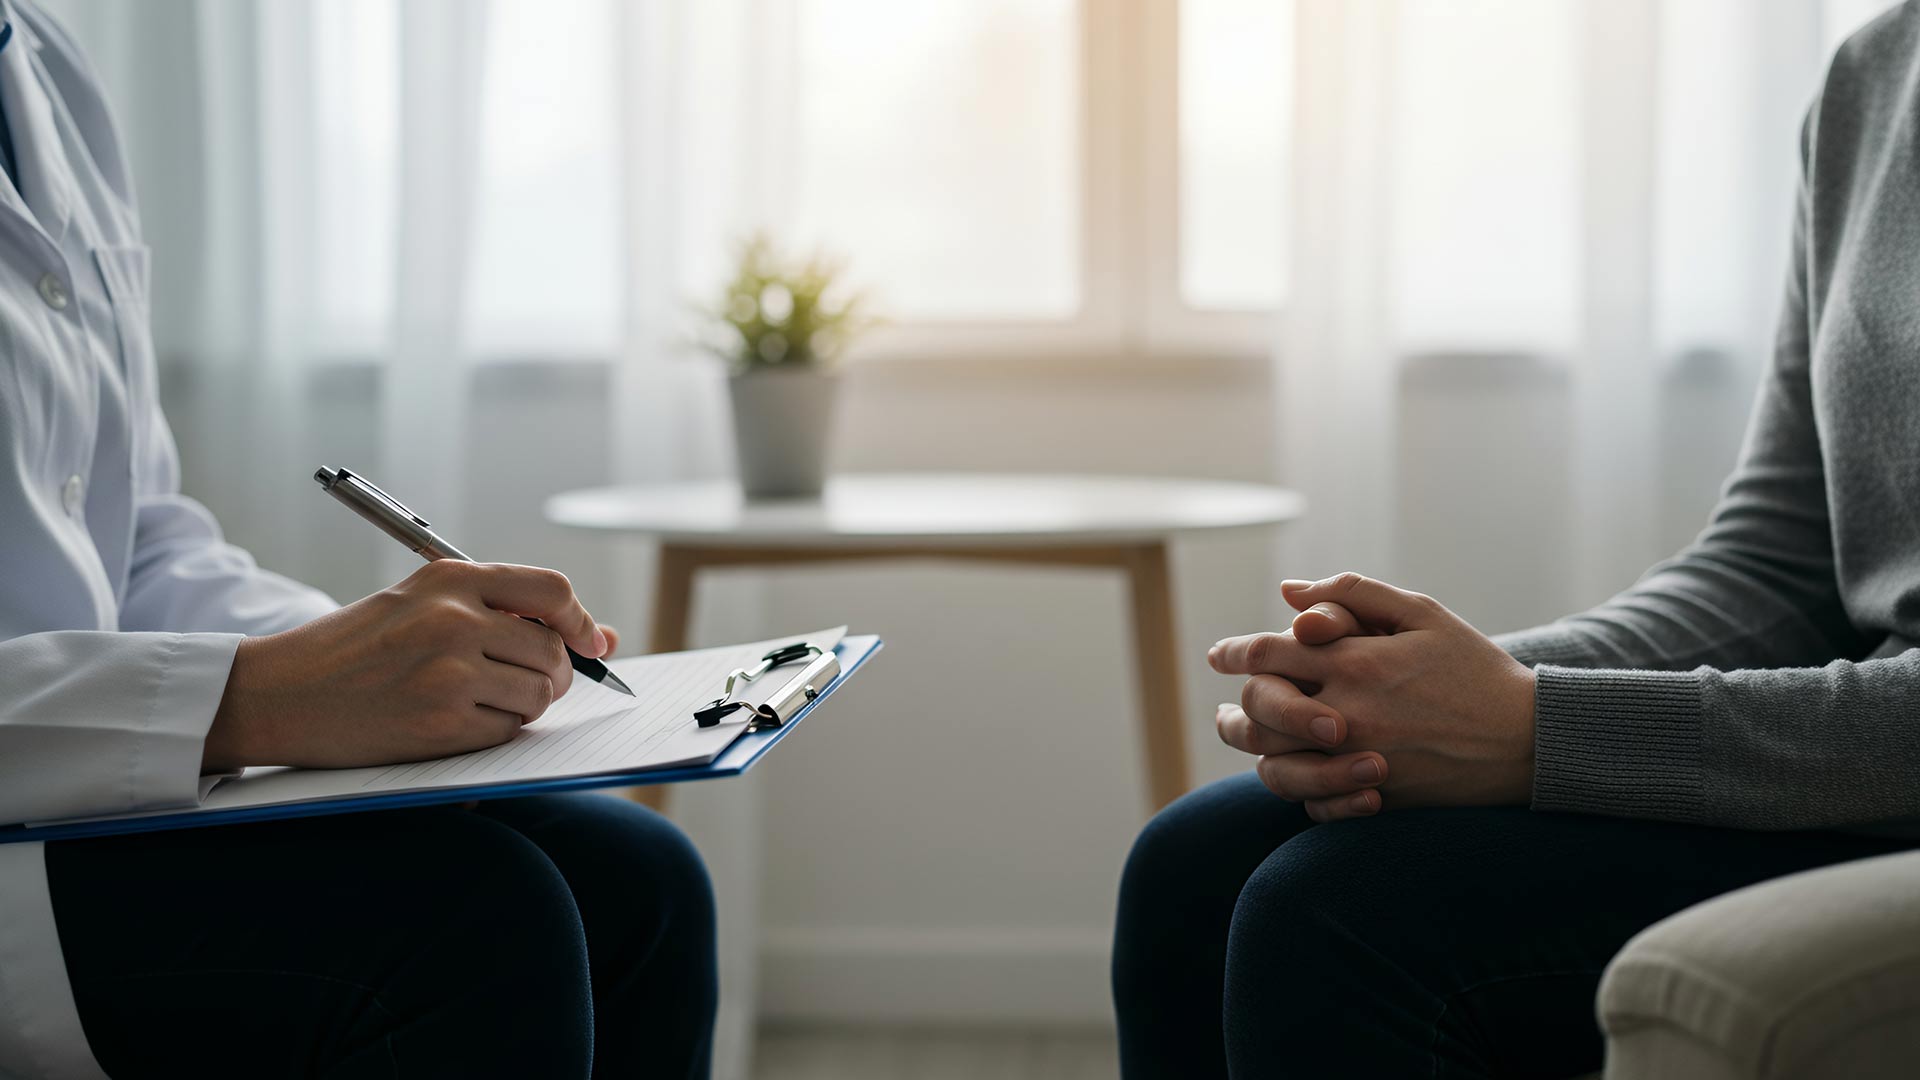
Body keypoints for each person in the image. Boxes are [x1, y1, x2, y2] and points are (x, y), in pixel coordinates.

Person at [1113, 6, 1920, 1078]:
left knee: (1342, 915)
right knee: (1195, 860)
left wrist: (1539, 730)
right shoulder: (1876, 73)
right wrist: (1421, 694)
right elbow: (1776, 558)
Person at [0, 2, 714, 1076]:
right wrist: (261, 698)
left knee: (640, 875)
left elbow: (134, 536)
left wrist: (371, 671)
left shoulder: (42, 60)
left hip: (87, 788)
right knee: (470, 924)